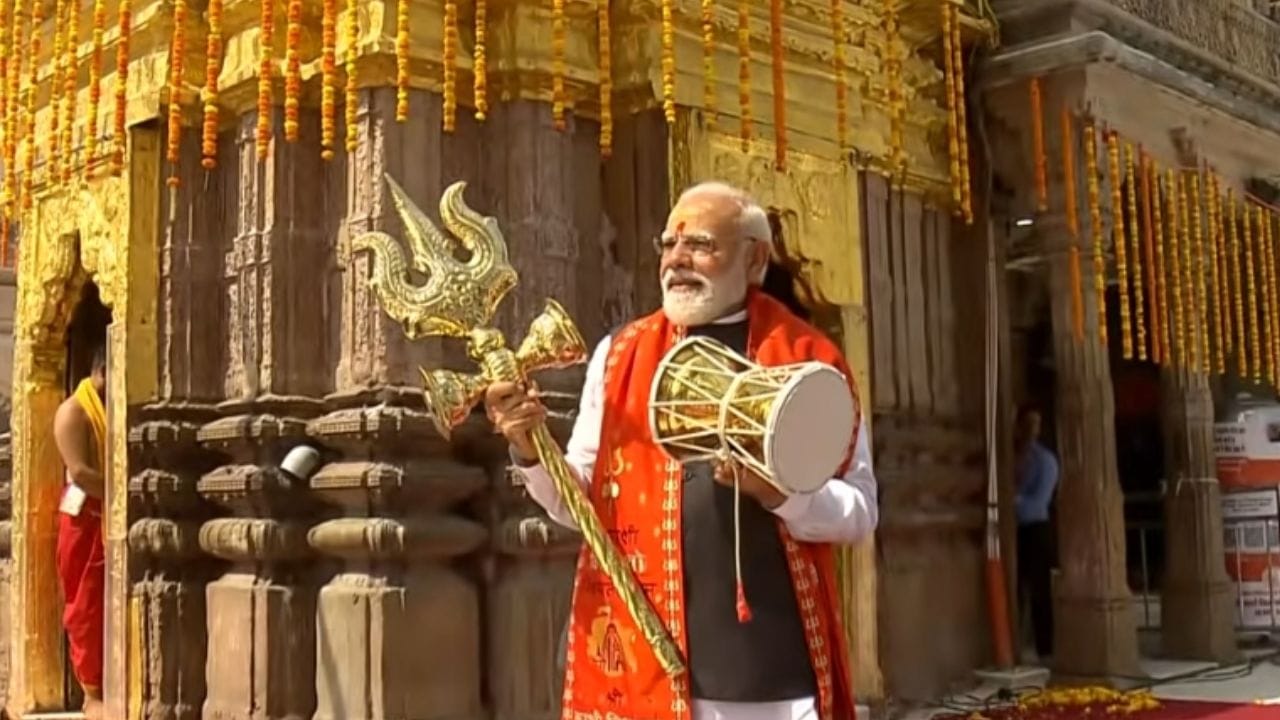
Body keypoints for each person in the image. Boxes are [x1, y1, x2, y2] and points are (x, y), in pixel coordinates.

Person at [486, 182, 878, 720]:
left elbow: (860, 511)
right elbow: (582, 505)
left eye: (700, 245)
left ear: (755, 259)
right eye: (669, 244)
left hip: (773, 683)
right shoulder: (620, 355)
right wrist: (530, 448)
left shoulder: (808, 359)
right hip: (641, 665)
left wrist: (783, 495)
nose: (677, 260)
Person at [53, 344, 108, 719]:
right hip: (84, 518)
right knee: (85, 604)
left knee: (104, 601)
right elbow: (81, 472)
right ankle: (91, 693)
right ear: (102, 371)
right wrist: (124, 494)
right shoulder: (73, 412)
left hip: (106, 515)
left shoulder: (110, 410)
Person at [1013, 404, 1059, 663]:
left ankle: (1046, 649)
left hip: (1035, 528)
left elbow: (1040, 500)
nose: (1031, 429)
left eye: (1036, 424)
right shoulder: (1012, 457)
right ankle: (1016, 645)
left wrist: (1011, 502)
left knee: (1040, 591)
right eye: (1027, 423)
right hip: (1014, 531)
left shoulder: (1045, 461)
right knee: (1016, 589)